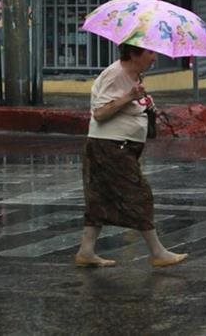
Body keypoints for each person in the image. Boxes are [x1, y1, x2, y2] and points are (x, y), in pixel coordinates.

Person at [75, 43, 188, 268]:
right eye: (150, 52)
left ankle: (86, 252)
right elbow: (100, 113)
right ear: (134, 54)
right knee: (140, 195)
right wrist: (129, 97)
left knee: (100, 198)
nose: (154, 57)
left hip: (119, 146)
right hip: (110, 147)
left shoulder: (134, 75)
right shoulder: (115, 74)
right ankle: (157, 252)